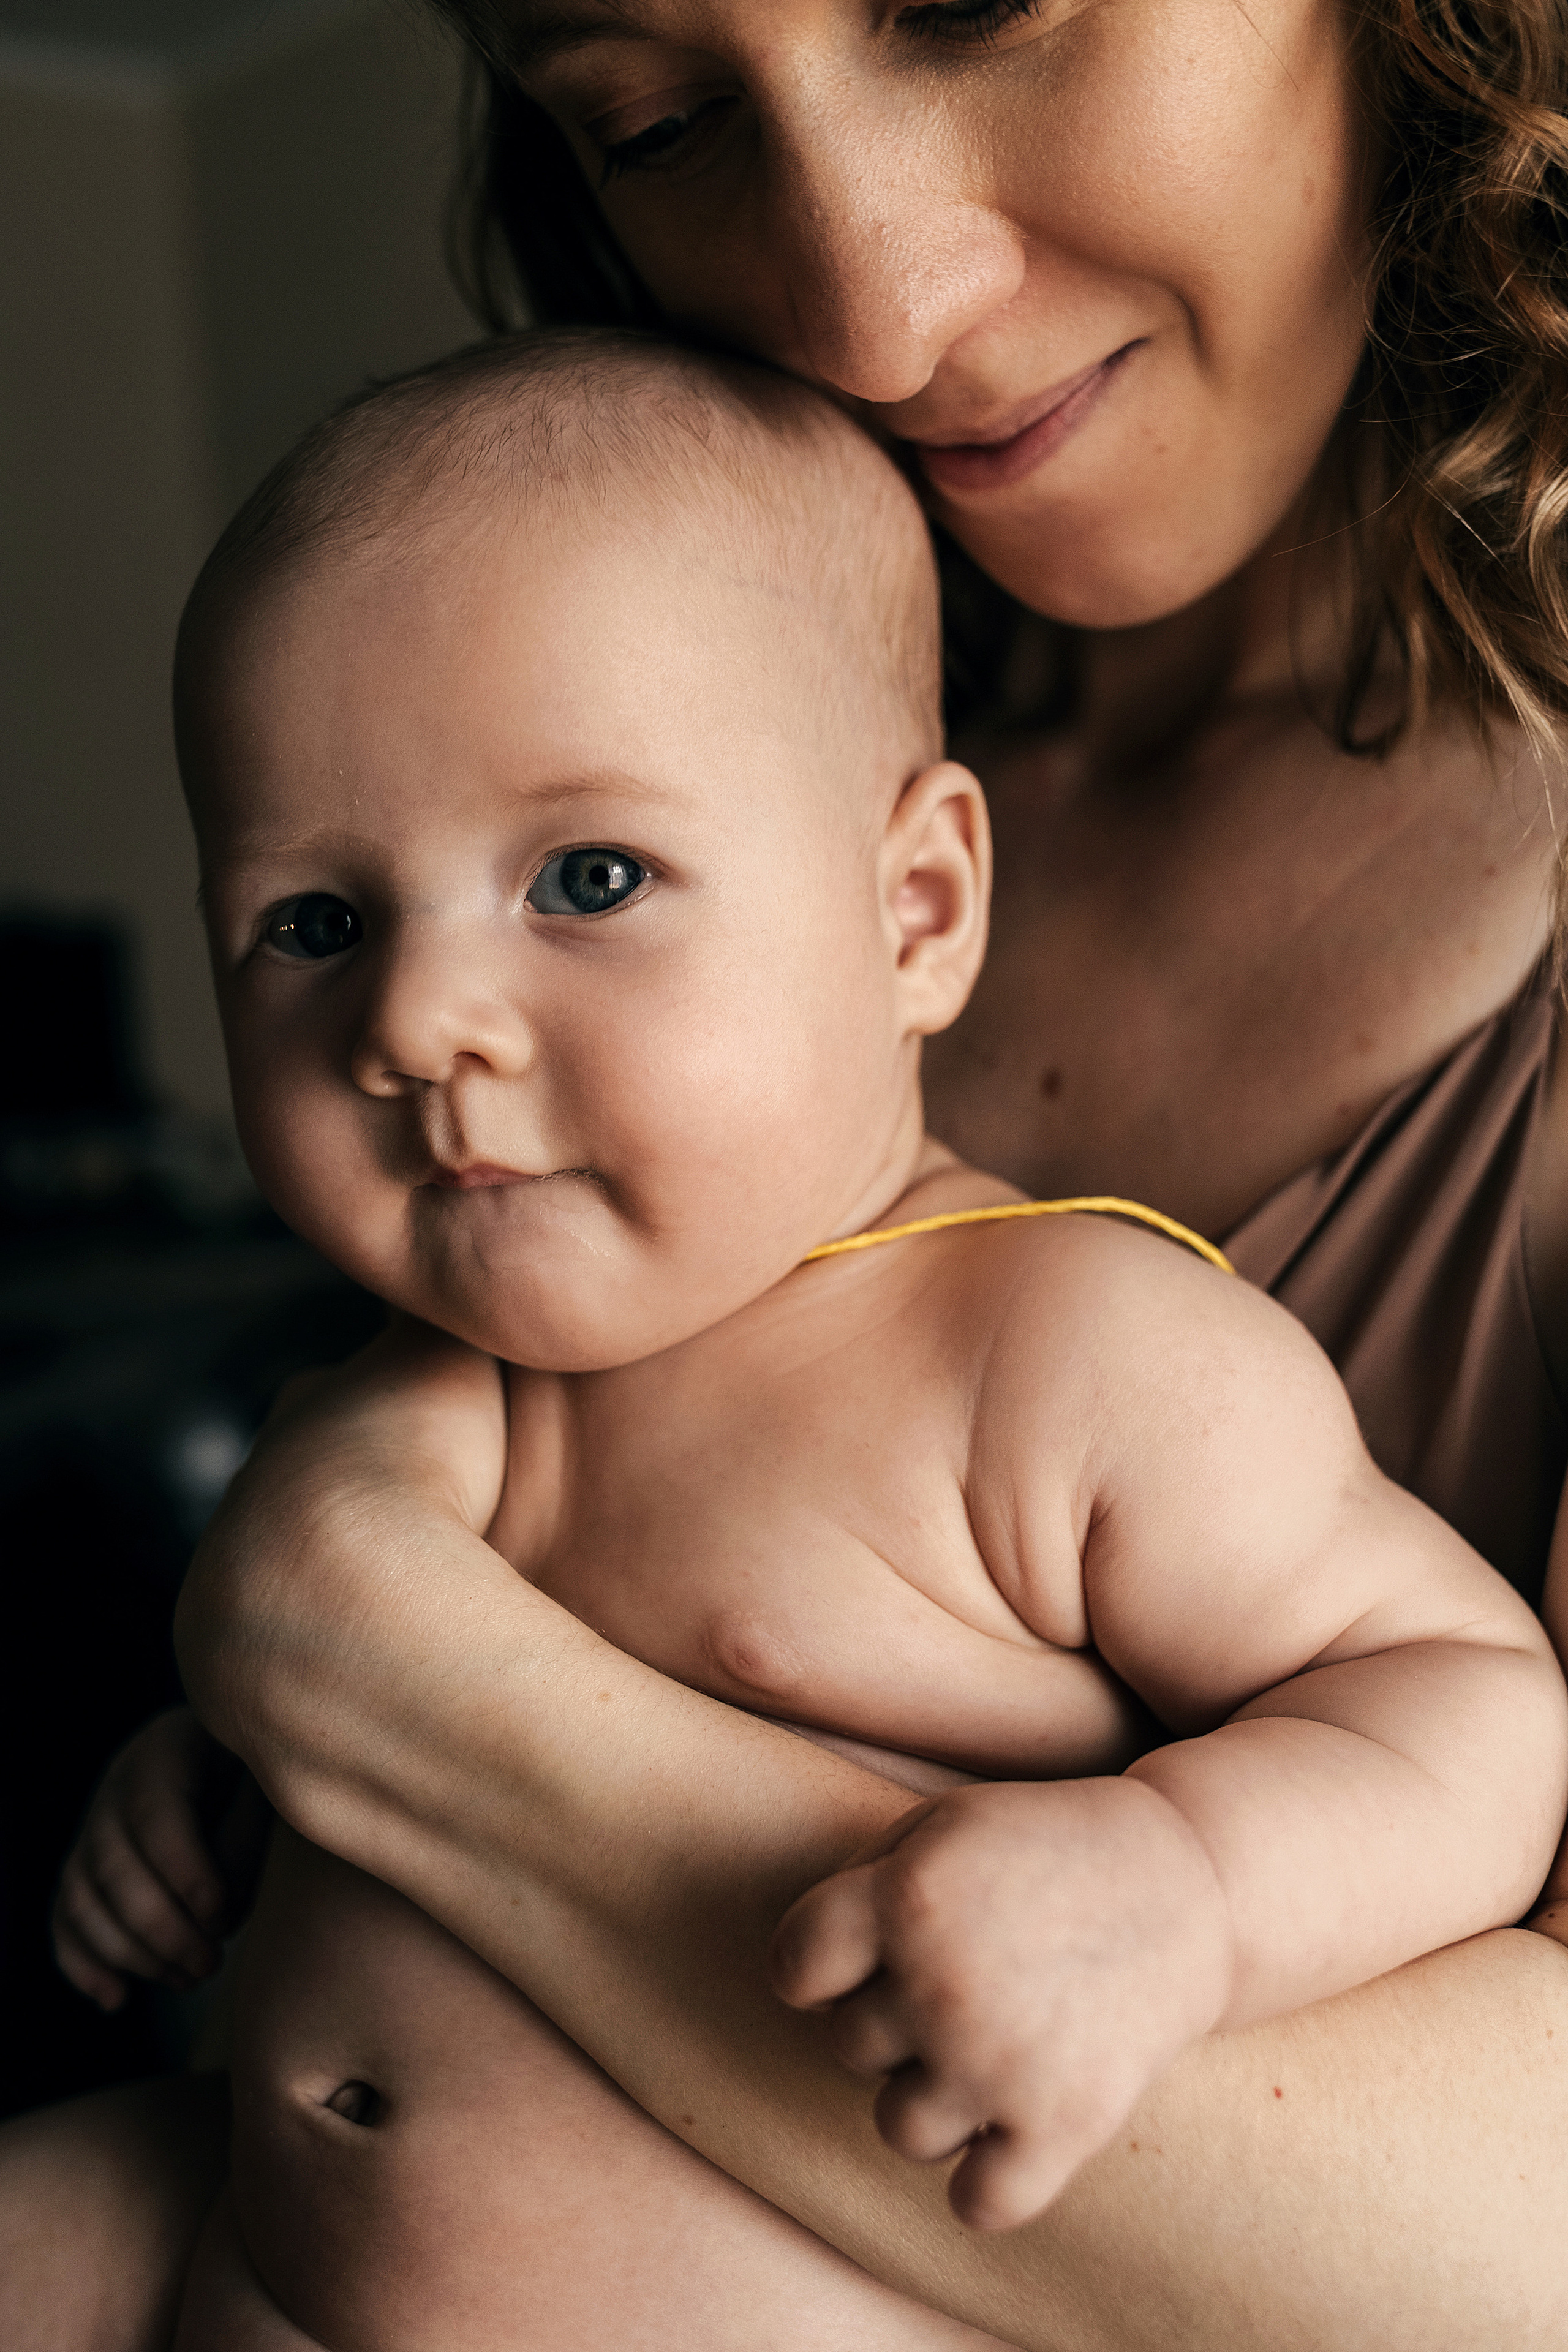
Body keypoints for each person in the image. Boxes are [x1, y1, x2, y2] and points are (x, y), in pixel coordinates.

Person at [9, 0, 1568, 2343]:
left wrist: (365, 1657)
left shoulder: (1098, 1362)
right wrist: (230, 1774)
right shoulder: (650, 680)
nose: (869, 310)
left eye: (980, 3)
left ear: (915, 907)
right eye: (654, 122)